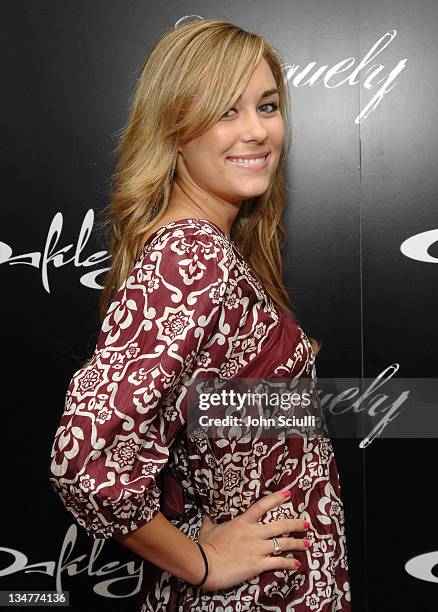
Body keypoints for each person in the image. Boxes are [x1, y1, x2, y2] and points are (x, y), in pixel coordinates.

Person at [48, 18, 351, 611]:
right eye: (224, 112)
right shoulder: (192, 254)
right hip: (252, 594)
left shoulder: (210, 247)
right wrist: (203, 561)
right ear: (174, 130)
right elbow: (86, 461)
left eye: (266, 106)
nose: (257, 131)